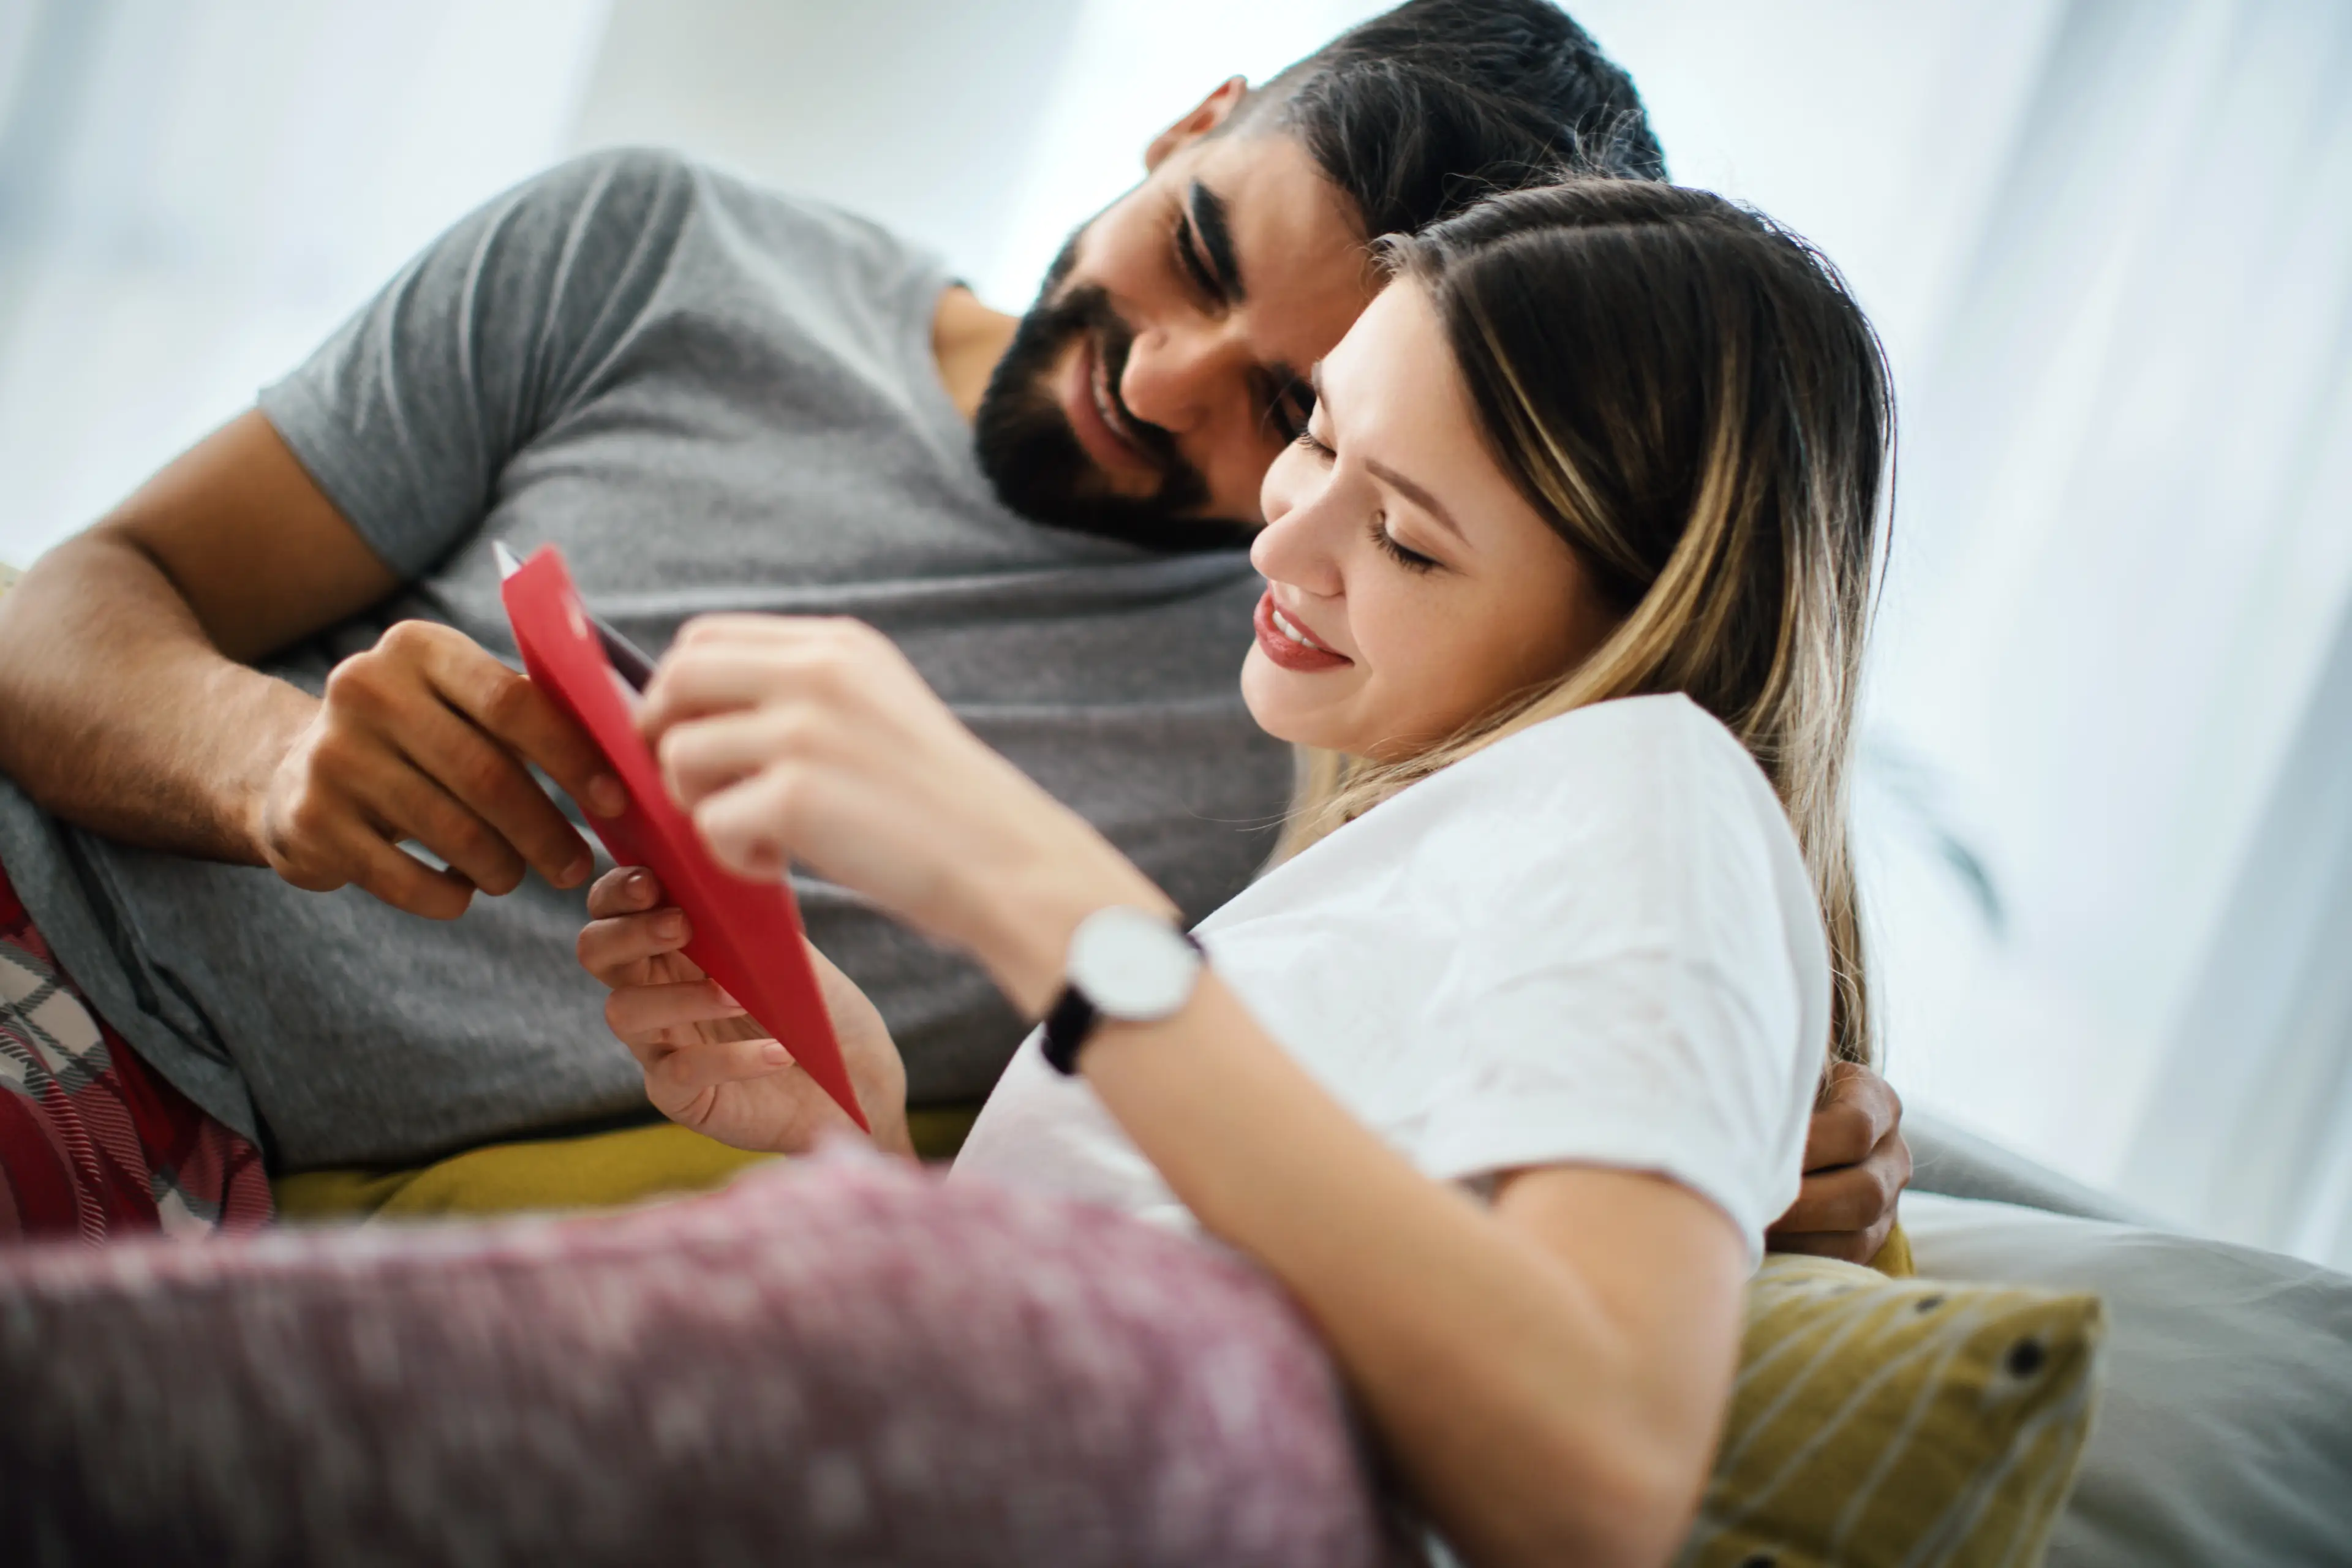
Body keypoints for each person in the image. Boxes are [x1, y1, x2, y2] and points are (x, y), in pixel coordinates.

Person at [0, 0, 1904, 1248]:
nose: (1161, 382)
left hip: (142, 1108)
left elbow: (1594, 1001)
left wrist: (1752, 1147)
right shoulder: (646, 250)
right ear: (1190, 121)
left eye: (1299, 406)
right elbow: (64, 609)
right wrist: (266, 763)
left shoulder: (1329, 710)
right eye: (1201, 251)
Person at [575, 176, 1893, 1564]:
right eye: (1317, 432)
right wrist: (861, 1135)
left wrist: (1029, 889)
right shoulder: (1412, 860)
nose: (1280, 540)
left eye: (1404, 538)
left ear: (1638, 618)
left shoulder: (1658, 793)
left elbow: (1599, 1480)